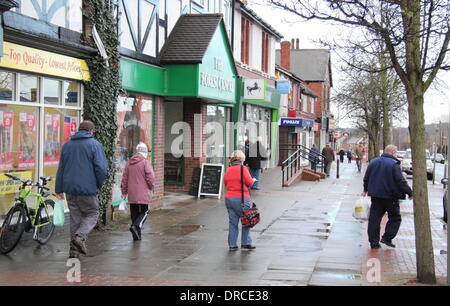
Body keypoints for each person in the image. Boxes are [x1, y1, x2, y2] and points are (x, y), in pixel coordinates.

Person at [56, 120, 107, 258]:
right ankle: (80, 236)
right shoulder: (95, 145)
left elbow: (61, 168)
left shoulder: (67, 145)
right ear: (91, 131)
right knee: (93, 213)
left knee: (75, 218)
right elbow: (101, 169)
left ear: (79, 130)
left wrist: (58, 188)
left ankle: (73, 251)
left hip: (70, 189)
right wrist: (98, 184)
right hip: (88, 189)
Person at [363, 144, 413, 249]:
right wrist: (409, 192)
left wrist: (365, 189)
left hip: (376, 196)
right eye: (395, 153)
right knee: (395, 218)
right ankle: (387, 237)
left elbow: (366, 177)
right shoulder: (394, 164)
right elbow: (400, 181)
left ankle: (374, 242)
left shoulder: (373, 162)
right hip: (391, 197)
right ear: (393, 152)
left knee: (374, 219)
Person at [121, 142, 155, 241]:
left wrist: (124, 192)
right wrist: (151, 186)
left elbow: (124, 179)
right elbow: (151, 177)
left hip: (132, 193)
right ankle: (135, 227)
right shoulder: (145, 162)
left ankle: (137, 235)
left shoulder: (128, 163)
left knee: (134, 213)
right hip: (143, 193)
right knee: (144, 211)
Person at [224, 150, 257, 251]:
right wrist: (253, 180)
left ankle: (232, 245)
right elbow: (249, 182)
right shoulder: (243, 169)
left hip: (229, 199)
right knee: (246, 220)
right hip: (242, 199)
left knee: (233, 223)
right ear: (241, 159)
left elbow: (225, 182)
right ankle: (245, 242)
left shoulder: (228, 169)